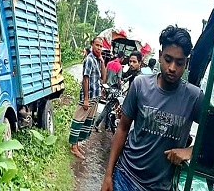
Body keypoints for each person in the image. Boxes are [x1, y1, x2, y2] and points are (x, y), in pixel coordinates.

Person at [101, 25, 204, 191]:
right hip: (125, 177)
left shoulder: (194, 97)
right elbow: (123, 128)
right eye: (168, 59)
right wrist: (108, 174)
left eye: (179, 62)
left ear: (187, 63)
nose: (172, 68)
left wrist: (190, 151)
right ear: (160, 56)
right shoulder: (140, 85)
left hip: (160, 187)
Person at [69, 36, 106, 159]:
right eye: (97, 45)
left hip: (95, 96)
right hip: (88, 96)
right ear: (92, 45)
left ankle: (77, 144)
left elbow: (103, 79)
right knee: (78, 120)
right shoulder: (89, 59)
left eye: (101, 46)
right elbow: (85, 79)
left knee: (87, 123)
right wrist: (85, 98)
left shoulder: (97, 60)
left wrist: (102, 61)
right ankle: (73, 147)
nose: (99, 48)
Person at [93, 51, 124, 131]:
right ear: (122, 58)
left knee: (109, 106)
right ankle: (97, 122)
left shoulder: (109, 63)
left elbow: (105, 75)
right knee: (108, 108)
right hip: (113, 90)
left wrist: (103, 87)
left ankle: (107, 126)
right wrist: (120, 89)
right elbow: (119, 80)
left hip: (107, 87)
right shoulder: (119, 66)